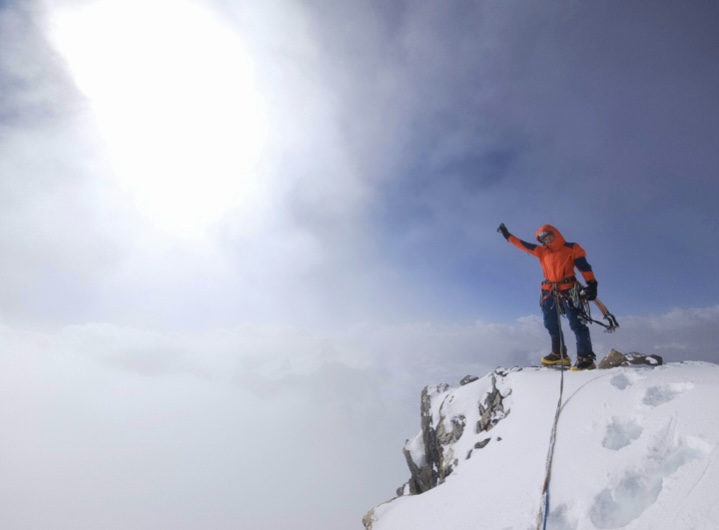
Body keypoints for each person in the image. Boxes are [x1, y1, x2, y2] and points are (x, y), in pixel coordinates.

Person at [497, 223, 598, 370]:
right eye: (544, 239)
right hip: (549, 291)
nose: (547, 241)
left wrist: (592, 284)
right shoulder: (541, 251)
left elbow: (584, 267)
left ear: (556, 234)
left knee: (577, 324)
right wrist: (507, 235)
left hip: (569, 291)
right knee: (550, 323)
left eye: (549, 237)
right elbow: (522, 245)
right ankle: (558, 354)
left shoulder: (571, 248)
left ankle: (586, 358)